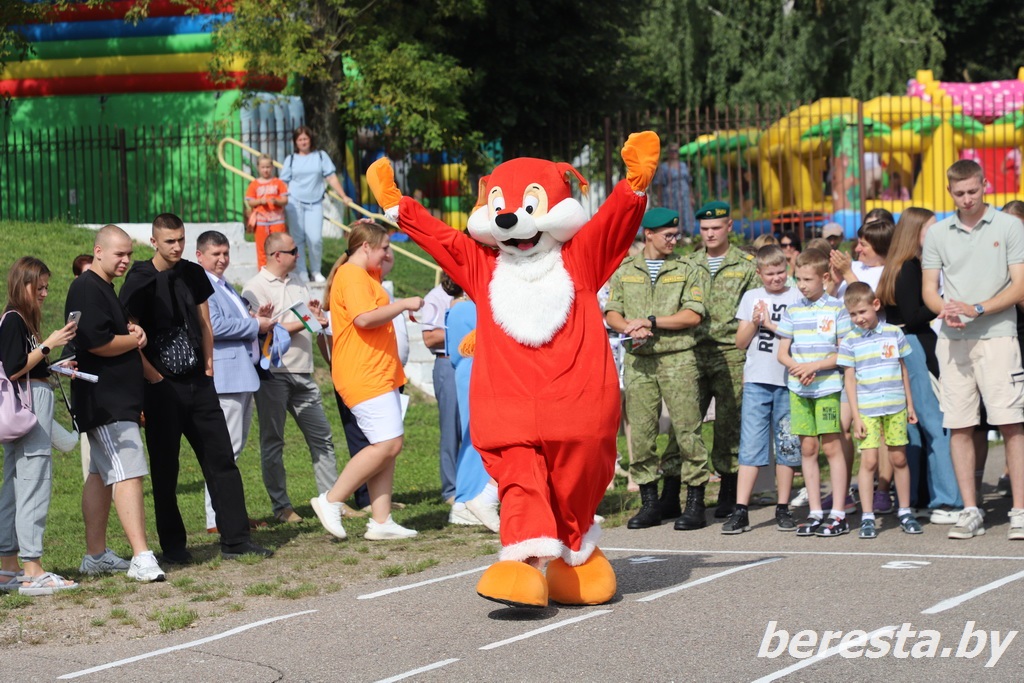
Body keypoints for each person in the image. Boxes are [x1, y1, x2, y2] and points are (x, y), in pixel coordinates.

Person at [120, 213, 272, 563]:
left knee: (221, 460)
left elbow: (205, 322)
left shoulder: (192, 272)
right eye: (169, 241)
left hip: (199, 384)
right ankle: (174, 548)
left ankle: (236, 540)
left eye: (181, 239)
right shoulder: (140, 278)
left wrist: (208, 367)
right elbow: (131, 335)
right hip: (161, 388)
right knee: (165, 468)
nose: (176, 247)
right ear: (154, 242)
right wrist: (152, 377)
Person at [922, 159, 1024, 541]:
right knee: (959, 424)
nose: (967, 199)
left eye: (973, 191)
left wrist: (978, 307)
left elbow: (1019, 286)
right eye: (959, 193)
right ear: (950, 192)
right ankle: (970, 509)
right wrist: (943, 308)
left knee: (1011, 422)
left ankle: (1019, 510)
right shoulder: (937, 234)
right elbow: (930, 289)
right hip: (953, 340)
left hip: (998, 335)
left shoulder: (1010, 226)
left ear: (985, 185)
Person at [64, 225, 167, 581]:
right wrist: (133, 338)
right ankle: (142, 556)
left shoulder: (102, 287)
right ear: (98, 251)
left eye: (129, 254)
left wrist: (132, 338)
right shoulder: (86, 287)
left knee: (100, 475)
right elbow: (96, 342)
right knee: (129, 472)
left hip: (114, 397)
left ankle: (95, 555)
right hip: (105, 400)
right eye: (119, 253)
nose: (125, 260)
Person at [310, 220, 423, 541]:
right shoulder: (352, 275)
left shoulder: (365, 274)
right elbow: (363, 318)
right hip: (363, 372)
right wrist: (402, 304)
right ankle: (331, 500)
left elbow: (379, 277)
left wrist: (376, 241)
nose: (389, 254)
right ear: (365, 248)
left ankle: (381, 520)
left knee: (387, 445)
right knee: (387, 444)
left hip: (378, 371)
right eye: (384, 247)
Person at [605, 207, 710, 530]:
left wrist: (651, 322)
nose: (673, 240)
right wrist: (629, 327)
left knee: (687, 431)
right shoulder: (625, 270)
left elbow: (693, 314)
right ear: (648, 234)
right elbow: (612, 312)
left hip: (677, 357)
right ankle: (650, 503)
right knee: (643, 433)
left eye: (675, 234)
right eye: (667, 235)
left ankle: (693, 501)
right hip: (639, 360)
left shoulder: (686, 268)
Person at [242, 231, 340, 524]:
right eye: (294, 251)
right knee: (273, 441)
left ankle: (332, 499)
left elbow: (305, 320)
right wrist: (305, 321)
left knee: (322, 437)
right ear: (277, 256)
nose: (299, 255)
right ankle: (281, 507)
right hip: (273, 374)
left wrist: (315, 317)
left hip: (303, 370)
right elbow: (262, 327)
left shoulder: (299, 281)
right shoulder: (254, 287)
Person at [876, 207, 962, 521]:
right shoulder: (910, 267)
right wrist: (941, 301)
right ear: (916, 232)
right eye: (931, 229)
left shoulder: (895, 267)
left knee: (911, 428)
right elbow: (913, 317)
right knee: (937, 425)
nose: (937, 234)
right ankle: (947, 501)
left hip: (898, 346)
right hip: (914, 346)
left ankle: (913, 497)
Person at [0, 257, 80, 594]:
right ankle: (33, 569)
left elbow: (28, 367)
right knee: (33, 484)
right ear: (23, 285)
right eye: (40, 287)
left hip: (27, 409)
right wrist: (50, 342)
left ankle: (8, 568)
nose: (45, 293)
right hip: (29, 410)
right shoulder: (14, 320)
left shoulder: (19, 321)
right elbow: (16, 367)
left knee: (15, 487)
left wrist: (54, 364)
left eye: (47, 286)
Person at [196, 231, 274, 533]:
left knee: (232, 449)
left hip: (241, 374)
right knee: (224, 450)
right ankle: (217, 518)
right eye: (215, 254)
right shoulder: (204, 286)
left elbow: (233, 321)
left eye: (225, 253)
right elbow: (213, 326)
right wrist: (255, 323)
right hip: (226, 376)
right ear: (200, 255)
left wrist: (255, 317)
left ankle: (229, 513)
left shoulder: (224, 285)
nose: (222, 259)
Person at [721, 245, 802, 534]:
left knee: (787, 445)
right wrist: (755, 323)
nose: (776, 278)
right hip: (757, 379)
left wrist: (771, 323)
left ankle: (783, 507)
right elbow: (740, 342)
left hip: (787, 381)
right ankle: (741, 509)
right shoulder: (751, 297)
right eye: (770, 273)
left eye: (781, 272)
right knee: (751, 445)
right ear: (759, 273)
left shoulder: (797, 296)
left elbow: (801, 335)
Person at [686, 200, 759, 518]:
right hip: (695, 351)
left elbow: (757, 308)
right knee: (688, 424)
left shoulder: (746, 265)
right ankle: (692, 496)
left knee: (729, 425)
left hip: (732, 351)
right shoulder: (687, 264)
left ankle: (729, 493)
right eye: (704, 229)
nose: (710, 233)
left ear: (729, 227)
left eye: (716, 227)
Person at [776, 248, 852, 537]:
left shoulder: (837, 309)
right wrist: (798, 367)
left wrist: (815, 367)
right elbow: (783, 353)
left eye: (807, 279)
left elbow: (843, 353)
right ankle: (816, 511)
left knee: (832, 446)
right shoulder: (792, 310)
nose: (801, 285)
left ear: (824, 277)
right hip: (799, 389)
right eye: (798, 279)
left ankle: (839, 512)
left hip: (828, 388)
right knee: (807, 447)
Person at [838, 282, 922, 538]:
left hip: (895, 406)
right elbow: (849, 380)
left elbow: (903, 369)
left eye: (862, 312)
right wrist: (856, 415)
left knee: (899, 458)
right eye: (853, 314)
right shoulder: (850, 341)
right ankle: (867, 516)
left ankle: (905, 511)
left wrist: (909, 403)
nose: (858, 319)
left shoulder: (894, 333)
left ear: (876, 305)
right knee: (870, 461)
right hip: (868, 410)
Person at [445, 299, 500, 532]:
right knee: (479, 438)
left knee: (475, 437)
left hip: (469, 370)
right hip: (478, 370)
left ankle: (468, 500)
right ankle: (467, 500)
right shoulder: (473, 307)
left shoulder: (459, 308)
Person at [280, 126, 352, 282]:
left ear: (310, 140)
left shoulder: (320, 156)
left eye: (305, 138)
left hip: (315, 202)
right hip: (294, 203)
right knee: (297, 239)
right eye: (300, 139)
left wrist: (344, 196)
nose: (303, 142)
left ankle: (316, 271)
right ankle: (301, 272)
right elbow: (283, 183)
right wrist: (280, 202)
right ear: (295, 142)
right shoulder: (291, 159)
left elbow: (331, 178)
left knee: (315, 239)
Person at [419, 274, 461, 505]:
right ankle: (451, 489)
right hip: (449, 362)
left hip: (474, 362)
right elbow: (430, 337)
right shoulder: (436, 297)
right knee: (451, 428)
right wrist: (465, 330)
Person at [245, 154, 289, 270]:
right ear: (258, 168)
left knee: (279, 247)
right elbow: (250, 202)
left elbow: (285, 200)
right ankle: (263, 272)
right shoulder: (254, 184)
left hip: (277, 220)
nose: (266, 170)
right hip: (261, 222)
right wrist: (260, 201)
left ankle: (280, 271)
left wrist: (277, 201)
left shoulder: (278, 182)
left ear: (272, 167)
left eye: (268, 167)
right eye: (263, 167)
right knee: (262, 248)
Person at [651, 142, 695, 235]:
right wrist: (659, 200)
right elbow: (659, 184)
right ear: (668, 153)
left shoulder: (683, 165)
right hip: (671, 196)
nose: (674, 153)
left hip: (684, 195)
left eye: (676, 151)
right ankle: (676, 235)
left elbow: (689, 181)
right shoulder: (663, 167)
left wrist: (691, 196)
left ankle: (687, 235)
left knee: (686, 214)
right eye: (672, 151)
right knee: (673, 215)